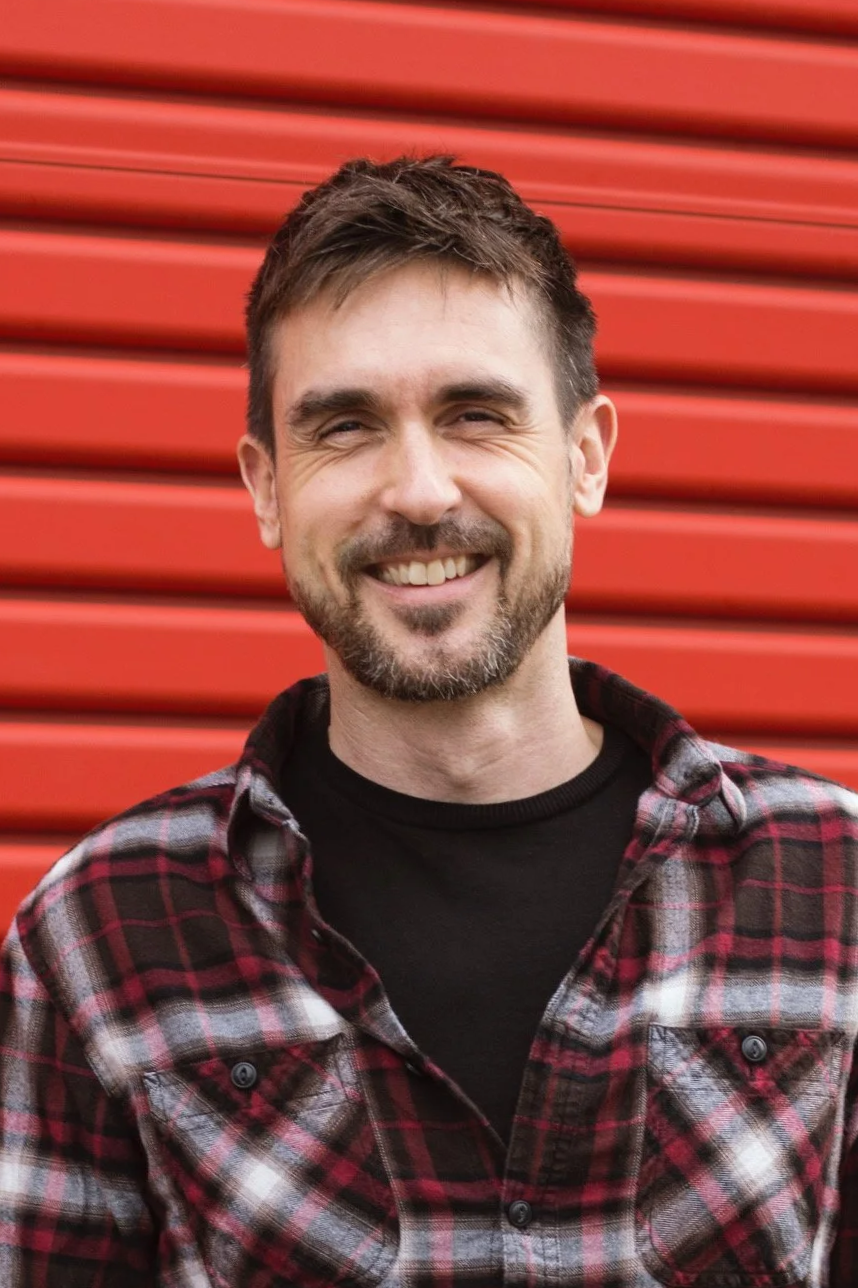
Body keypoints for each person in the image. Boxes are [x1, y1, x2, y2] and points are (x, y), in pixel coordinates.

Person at [0, 155, 855, 1288]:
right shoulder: (99, 941)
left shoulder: (833, 885)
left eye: (476, 415)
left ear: (585, 456)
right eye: (344, 426)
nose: (417, 490)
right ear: (266, 486)